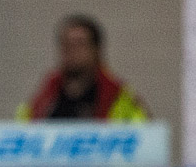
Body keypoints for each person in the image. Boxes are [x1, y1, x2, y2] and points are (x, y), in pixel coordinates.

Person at [17, 14, 148, 121]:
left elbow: (142, 141)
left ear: (96, 50)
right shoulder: (44, 99)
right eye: (66, 44)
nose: (71, 50)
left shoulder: (119, 99)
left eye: (79, 44)